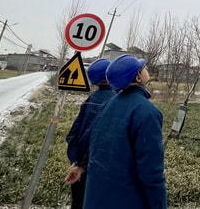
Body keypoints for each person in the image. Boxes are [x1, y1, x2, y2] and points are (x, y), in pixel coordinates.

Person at [65, 54, 166, 209]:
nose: (146, 69)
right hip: (126, 199)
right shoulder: (147, 112)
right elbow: (151, 173)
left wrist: (80, 165)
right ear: (138, 77)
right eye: (142, 67)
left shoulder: (108, 105)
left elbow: (93, 145)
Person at [65, 58, 114, 209]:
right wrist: (83, 165)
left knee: (78, 203)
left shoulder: (90, 100)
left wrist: (76, 161)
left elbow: (73, 135)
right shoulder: (115, 101)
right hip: (98, 169)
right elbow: (100, 137)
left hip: (79, 167)